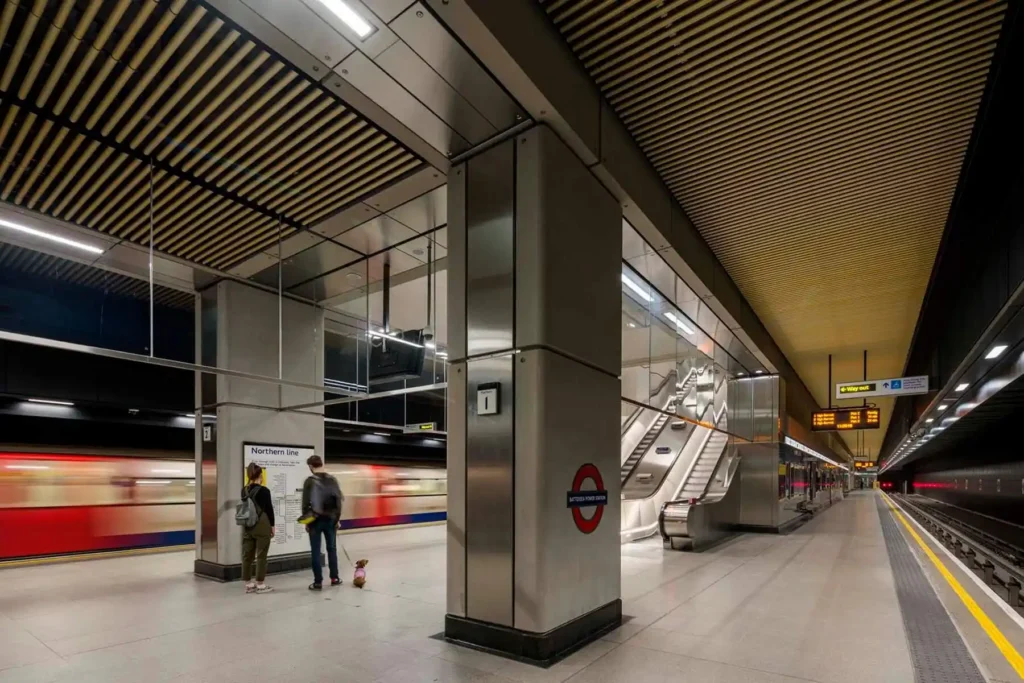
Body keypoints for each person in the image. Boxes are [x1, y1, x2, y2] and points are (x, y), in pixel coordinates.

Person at [301, 454, 343, 590]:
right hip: (331, 520)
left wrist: (307, 522)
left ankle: (318, 582)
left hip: (315, 521)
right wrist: (337, 520)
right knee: (332, 549)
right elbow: (338, 502)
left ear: (311, 466)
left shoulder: (309, 482)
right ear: (321, 464)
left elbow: (305, 504)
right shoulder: (332, 480)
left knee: (315, 551)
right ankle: (334, 578)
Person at [241, 462, 275, 594]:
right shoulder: (264, 491)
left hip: (248, 525)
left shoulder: (244, 490)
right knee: (261, 555)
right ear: (260, 475)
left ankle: (248, 584)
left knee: (247, 555)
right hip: (262, 524)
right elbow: (269, 510)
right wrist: (272, 526)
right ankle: (260, 584)